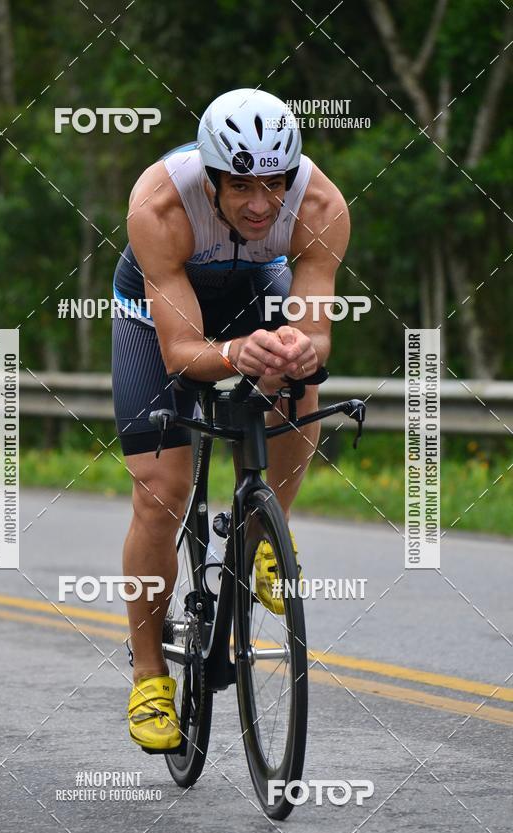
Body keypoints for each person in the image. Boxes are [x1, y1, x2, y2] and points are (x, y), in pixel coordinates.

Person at [112, 88, 350, 752]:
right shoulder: (159, 206)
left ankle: (263, 534)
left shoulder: (323, 207)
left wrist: (296, 349)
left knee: (299, 373)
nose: (257, 203)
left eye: (273, 184)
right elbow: (183, 353)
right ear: (210, 177)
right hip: (155, 316)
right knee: (162, 492)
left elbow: (318, 331)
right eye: (240, 184)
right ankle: (149, 674)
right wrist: (234, 352)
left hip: (254, 289)